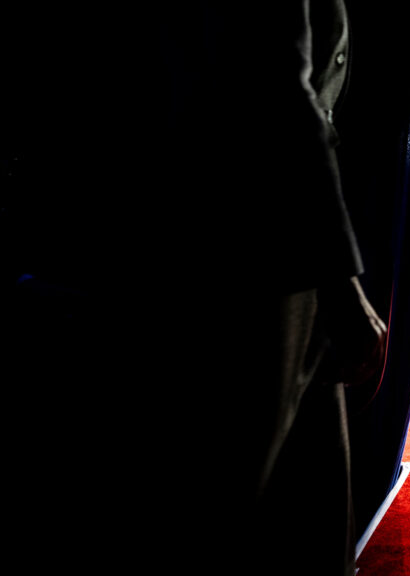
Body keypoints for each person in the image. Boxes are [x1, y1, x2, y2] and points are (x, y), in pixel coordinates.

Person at [2, 2, 386, 573]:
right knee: (231, 511)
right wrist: (342, 285)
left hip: (252, 241)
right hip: (245, 246)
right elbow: (275, 87)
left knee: (297, 505)